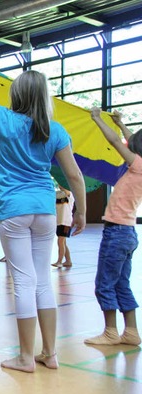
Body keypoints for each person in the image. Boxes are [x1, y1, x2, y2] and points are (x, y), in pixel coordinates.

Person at [0, 51, 86, 372]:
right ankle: (49, 353)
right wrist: (80, 211)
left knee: (22, 282)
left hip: (13, 210)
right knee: (42, 282)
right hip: (44, 209)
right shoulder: (55, 129)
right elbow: (74, 175)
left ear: (16, 95)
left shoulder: (3, 119)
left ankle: (26, 357)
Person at [84, 108, 142, 346]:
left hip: (117, 233)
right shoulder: (140, 165)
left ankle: (110, 332)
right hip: (127, 233)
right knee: (121, 284)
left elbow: (116, 142)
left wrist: (98, 119)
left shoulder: (138, 165)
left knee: (104, 284)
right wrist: (121, 123)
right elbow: (128, 141)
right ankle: (131, 332)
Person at [52, 185, 74, 268]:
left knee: (60, 241)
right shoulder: (57, 194)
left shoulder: (70, 194)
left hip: (66, 221)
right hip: (58, 221)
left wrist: (62, 184)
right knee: (63, 242)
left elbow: (67, 191)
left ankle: (59, 261)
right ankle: (68, 261)